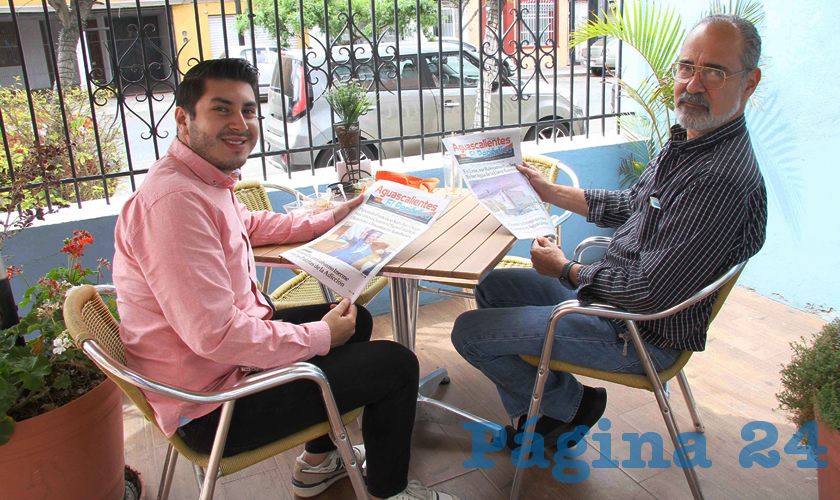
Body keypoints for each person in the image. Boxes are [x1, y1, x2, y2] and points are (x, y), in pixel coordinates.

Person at [113, 58, 455, 500]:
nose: (240, 124)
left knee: (357, 320)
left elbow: (249, 225)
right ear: (184, 117)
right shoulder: (174, 204)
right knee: (398, 366)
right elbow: (214, 335)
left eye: (249, 110)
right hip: (214, 406)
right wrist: (318, 336)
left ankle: (318, 463)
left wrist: (336, 216)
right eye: (222, 109)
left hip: (223, 366)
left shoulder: (198, 180)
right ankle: (389, 492)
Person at [451, 14, 767, 449]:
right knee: (493, 287)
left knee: (468, 332)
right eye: (687, 67)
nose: (693, 85)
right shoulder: (690, 142)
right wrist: (550, 191)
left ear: (749, 82)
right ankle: (546, 412)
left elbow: (649, 294)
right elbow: (634, 204)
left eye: (714, 72)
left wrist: (568, 271)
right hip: (612, 301)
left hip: (636, 331)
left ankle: (570, 406)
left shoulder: (717, 179)